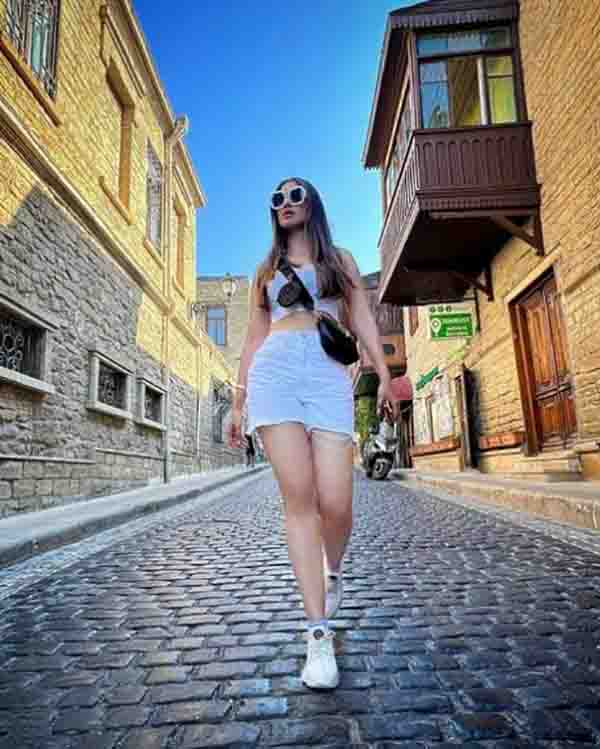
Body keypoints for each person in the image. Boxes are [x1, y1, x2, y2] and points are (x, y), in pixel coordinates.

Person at [229, 178, 396, 690]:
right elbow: (254, 337)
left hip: (326, 374)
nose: (284, 204)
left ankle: (333, 569)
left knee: (337, 503)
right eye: (276, 198)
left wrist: (383, 372)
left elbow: (362, 316)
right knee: (299, 500)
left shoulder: (339, 261)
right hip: (274, 373)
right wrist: (238, 400)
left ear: (313, 204)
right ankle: (317, 634)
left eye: (294, 195)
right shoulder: (265, 271)